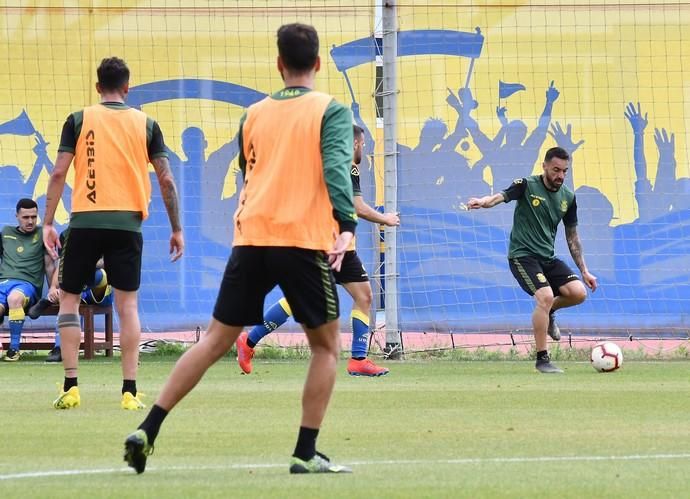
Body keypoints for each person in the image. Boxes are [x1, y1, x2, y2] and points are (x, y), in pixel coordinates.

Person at [123, 23, 356, 475]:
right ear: (319, 63)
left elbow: (251, 170)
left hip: (250, 237)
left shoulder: (252, 114)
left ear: (278, 64)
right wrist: (345, 226)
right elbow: (335, 169)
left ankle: (148, 428)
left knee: (214, 341)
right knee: (327, 347)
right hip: (300, 238)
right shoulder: (331, 110)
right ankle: (305, 453)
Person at [42, 56, 184, 410]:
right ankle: (129, 391)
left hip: (85, 223)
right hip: (127, 225)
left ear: (97, 87)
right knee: (128, 305)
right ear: (127, 88)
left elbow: (59, 173)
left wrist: (47, 222)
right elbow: (166, 179)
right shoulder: (147, 124)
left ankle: (71, 385)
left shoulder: (78, 120)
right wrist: (177, 228)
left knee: (70, 299)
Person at [236, 124, 400, 377]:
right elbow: (357, 206)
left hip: (339, 246)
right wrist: (385, 218)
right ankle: (248, 342)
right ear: (354, 144)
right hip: (325, 244)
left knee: (364, 296)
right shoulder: (347, 165)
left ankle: (358, 359)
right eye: (363, 144)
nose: (364, 149)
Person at [467, 147, 598, 373]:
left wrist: (584, 270)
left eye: (564, 171)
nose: (560, 175)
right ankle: (542, 359)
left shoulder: (568, 197)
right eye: (556, 170)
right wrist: (484, 201)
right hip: (523, 256)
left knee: (578, 293)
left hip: (547, 258)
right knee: (545, 297)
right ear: (544, 166)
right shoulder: (526, 185)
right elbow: (500, 196)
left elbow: (572, 237)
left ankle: (550, 313)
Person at [28, 231, 114, 363]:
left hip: (102, 290)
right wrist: (52, 288)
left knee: (94, 275)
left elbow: (107, 262)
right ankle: (58, 348)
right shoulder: (66, 235)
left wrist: (83, 263)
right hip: (78, 289)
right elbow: (62, 266)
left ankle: (50, 300)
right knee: (71, 296)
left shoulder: (101, 230)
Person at [0, 198, 55, 361]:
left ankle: (14, 349)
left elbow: (50, 266)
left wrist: (53, 289)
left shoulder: (43, 234)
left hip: (27, 285)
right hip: (3, 283)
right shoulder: (6, 232)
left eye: (33, 217)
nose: (30, 221)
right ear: (17, 215)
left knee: (14, 298)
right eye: (25, 217)